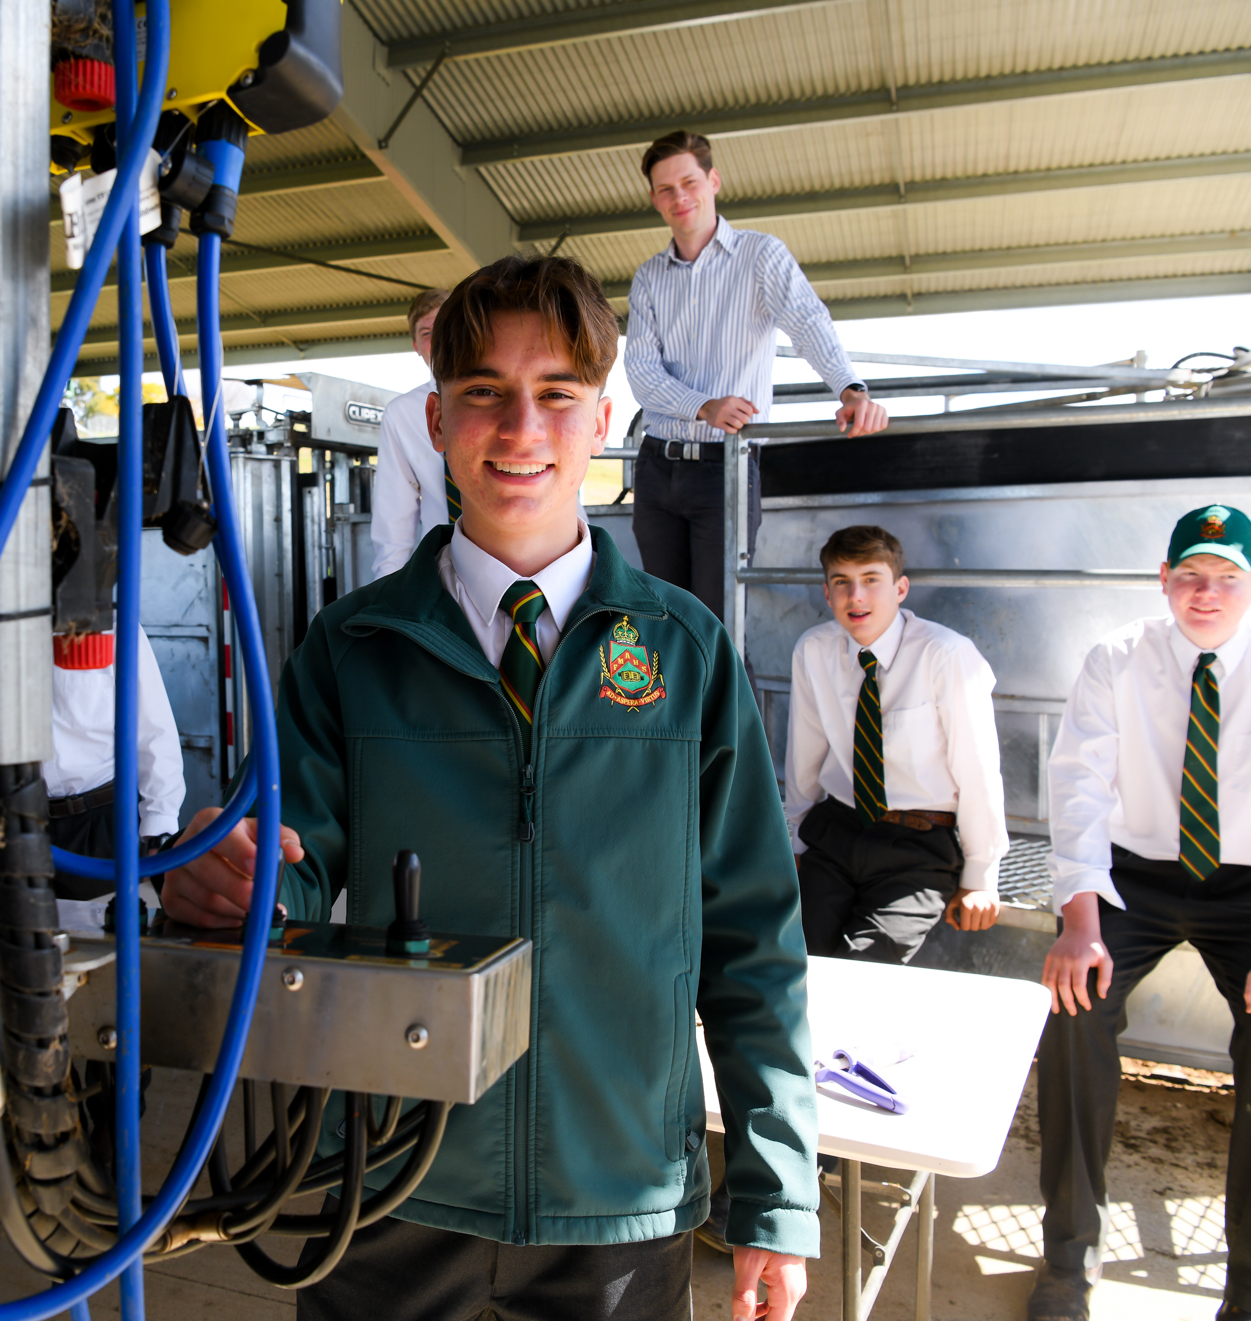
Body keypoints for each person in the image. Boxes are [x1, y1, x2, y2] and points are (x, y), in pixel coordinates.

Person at [162, 254, 818, 1321]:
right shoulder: (352, 648)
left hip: (618, 1198)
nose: (521, 428)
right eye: (484, 393)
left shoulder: (684, 653)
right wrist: (228, 884)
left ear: (601, 418)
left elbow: (752, 940)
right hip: (385, 1185)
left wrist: (774, 1194)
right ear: (434, 420)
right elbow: (290, 859)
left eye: (556, 393)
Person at [1032, 505, 1251, 1321]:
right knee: (1075, 1004)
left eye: (1226, 579)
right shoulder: (1117, 659)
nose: (1205, 595)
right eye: (1189, 576)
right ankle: (1070, 1259)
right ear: (1164, 580)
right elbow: (1078, 789)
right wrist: (1079, 916)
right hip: (1135, 876)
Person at [624, 128, 888, 626]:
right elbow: (638, 368)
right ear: (654, 199)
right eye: (665, 189)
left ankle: (728, 708)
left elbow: (808, 323)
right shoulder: (649, 277)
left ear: (713, 180)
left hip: (724, 470)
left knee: (718, 624)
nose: (679, 197)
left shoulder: (761, 256)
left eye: (688, 182)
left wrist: (850, 389)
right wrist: (703, 405)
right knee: (662, 620)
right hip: (657, 467)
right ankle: (672, 708)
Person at [785, 525, 1006, 962]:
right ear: (827, 594)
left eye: (871, 579)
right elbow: (803, 759)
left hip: (917, 844)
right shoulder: (814, 650)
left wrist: (981, 874)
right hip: (838, 830)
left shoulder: (947, 656)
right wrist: (795, 844)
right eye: (841, 583)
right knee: (797, 959)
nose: (856, 597)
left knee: (866, 964)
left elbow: (977, 770)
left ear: (900, 587)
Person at [42, 625, 187, 900]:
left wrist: (159, 831)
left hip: (98, 824)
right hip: (16, 820)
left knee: (101, 936)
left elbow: (154, 732)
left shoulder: (115, 628)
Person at [369, 287, 452, 581]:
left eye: (447, 327)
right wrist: (387, 598)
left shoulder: (506, 390)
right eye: (427, 332)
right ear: (416, 344)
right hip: (448, 572)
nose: (439, 339)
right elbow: (394, 521)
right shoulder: (402, 415)